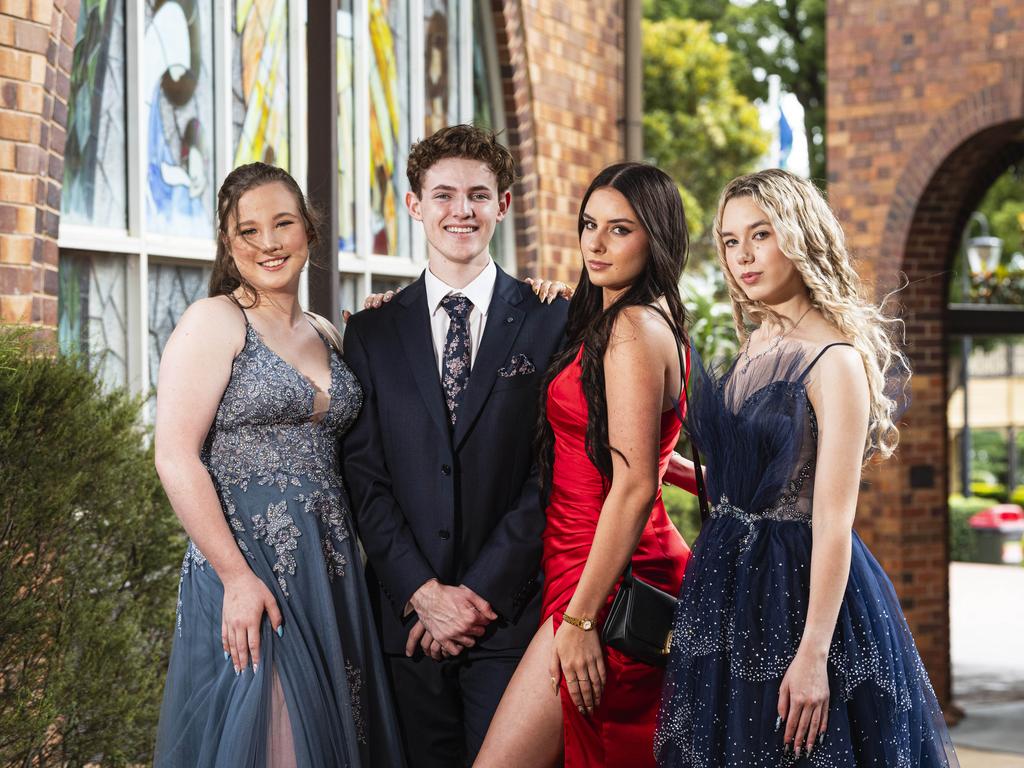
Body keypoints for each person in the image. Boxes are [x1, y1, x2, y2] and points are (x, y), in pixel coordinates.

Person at [655, 169, 959, 767]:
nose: (742, 255)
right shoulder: (759, 341)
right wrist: (669, 469)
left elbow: (832, 516)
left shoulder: (835, 360)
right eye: (730, 240)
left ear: (799, 236)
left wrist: (814, 650)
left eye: (760, 235)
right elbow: (749, 486)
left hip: (798, 590)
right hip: (729, 581)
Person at [153, 162, 403, 767]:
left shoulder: (328, 333)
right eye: (249, 230)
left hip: (331, 569)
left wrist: (391, 315)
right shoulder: (214, 322)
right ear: (228, 244)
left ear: (309, 233)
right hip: (248, 568)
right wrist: (236, 577)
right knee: (277, 743)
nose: (268, 242)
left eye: (283, 223)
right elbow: (175, 457)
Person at [341, 124, 569, 768]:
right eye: (443, 195)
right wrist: (423, 593)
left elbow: (551, 472)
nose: (460, 211)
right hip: (403, 624)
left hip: (510, 621)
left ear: (503, 204)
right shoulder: (371, 331)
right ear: (414, 206)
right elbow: (364, 478)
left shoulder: (552, 319)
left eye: (477, 194)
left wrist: (476, 598)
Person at [475, 162, 695, 768]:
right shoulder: (620, 319)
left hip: (605, 578)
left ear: (655, 237)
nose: (595, 243)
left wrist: (580, 618)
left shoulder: (630, 327)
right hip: (583, 561)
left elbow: (632, 484)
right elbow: (642, 452)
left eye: (619, 230)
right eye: (589, 224)